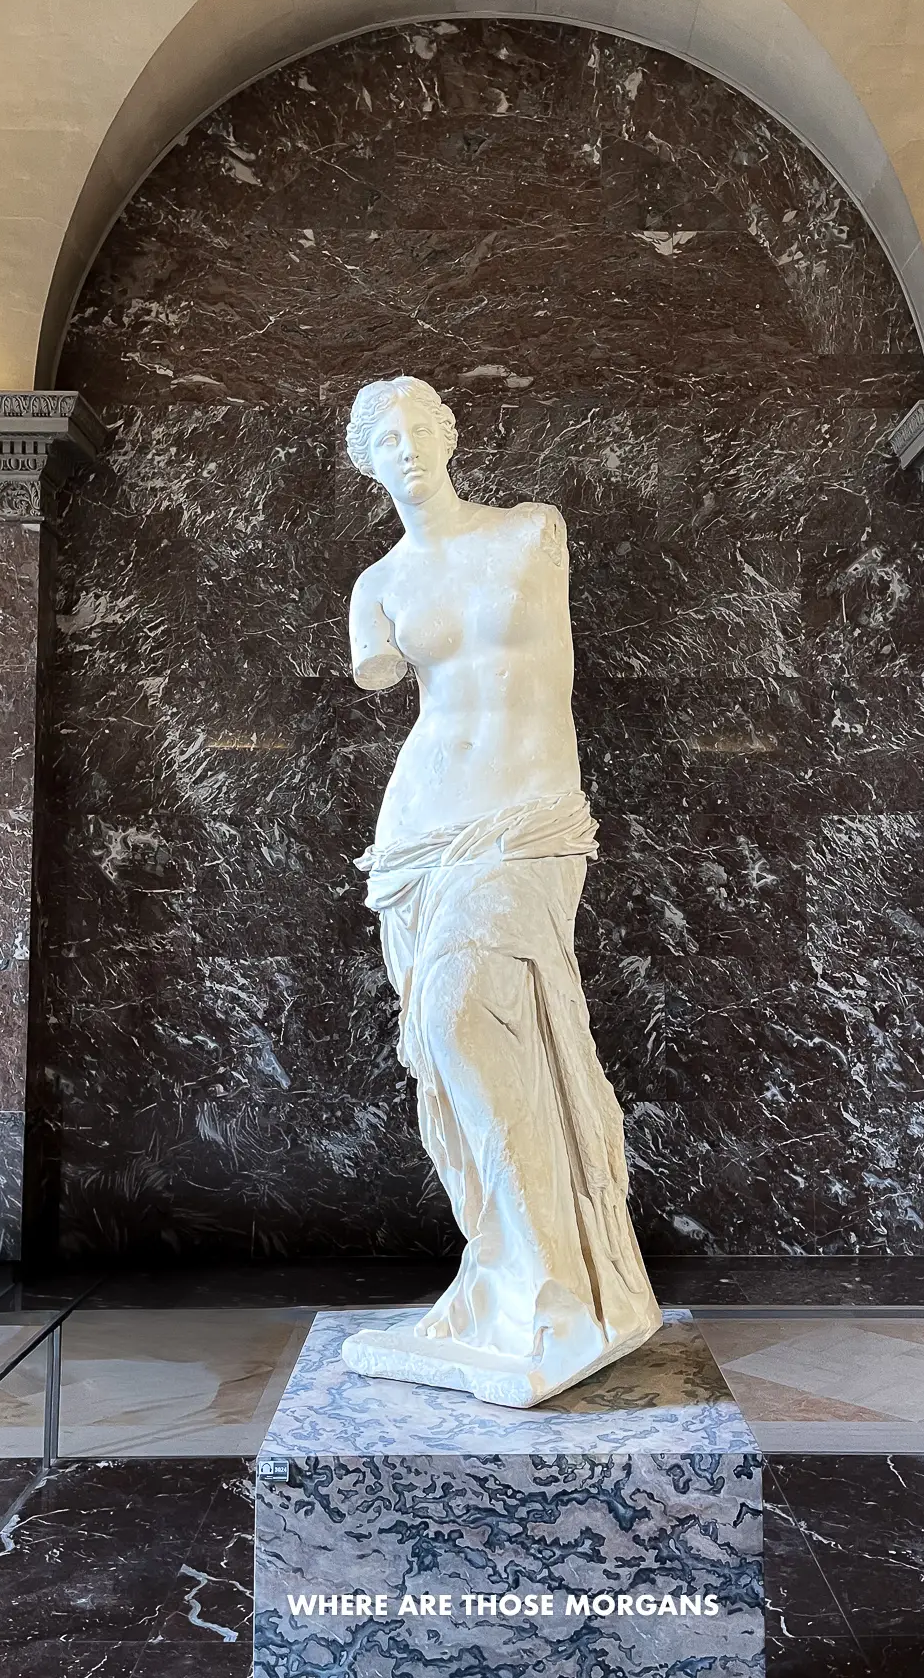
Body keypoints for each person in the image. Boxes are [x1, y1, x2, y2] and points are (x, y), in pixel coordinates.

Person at [340, 375, 661, 1408]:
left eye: (417, 428)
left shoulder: (532, 532)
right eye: (384, 439)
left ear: (448, 434)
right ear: (366, 463)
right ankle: (524, 1275)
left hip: (528, 819)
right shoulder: (377, 588)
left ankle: (558, 1284)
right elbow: (385, 676)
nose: (404, 447)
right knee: (449, 1047)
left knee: (459, 1015)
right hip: (421, 833)